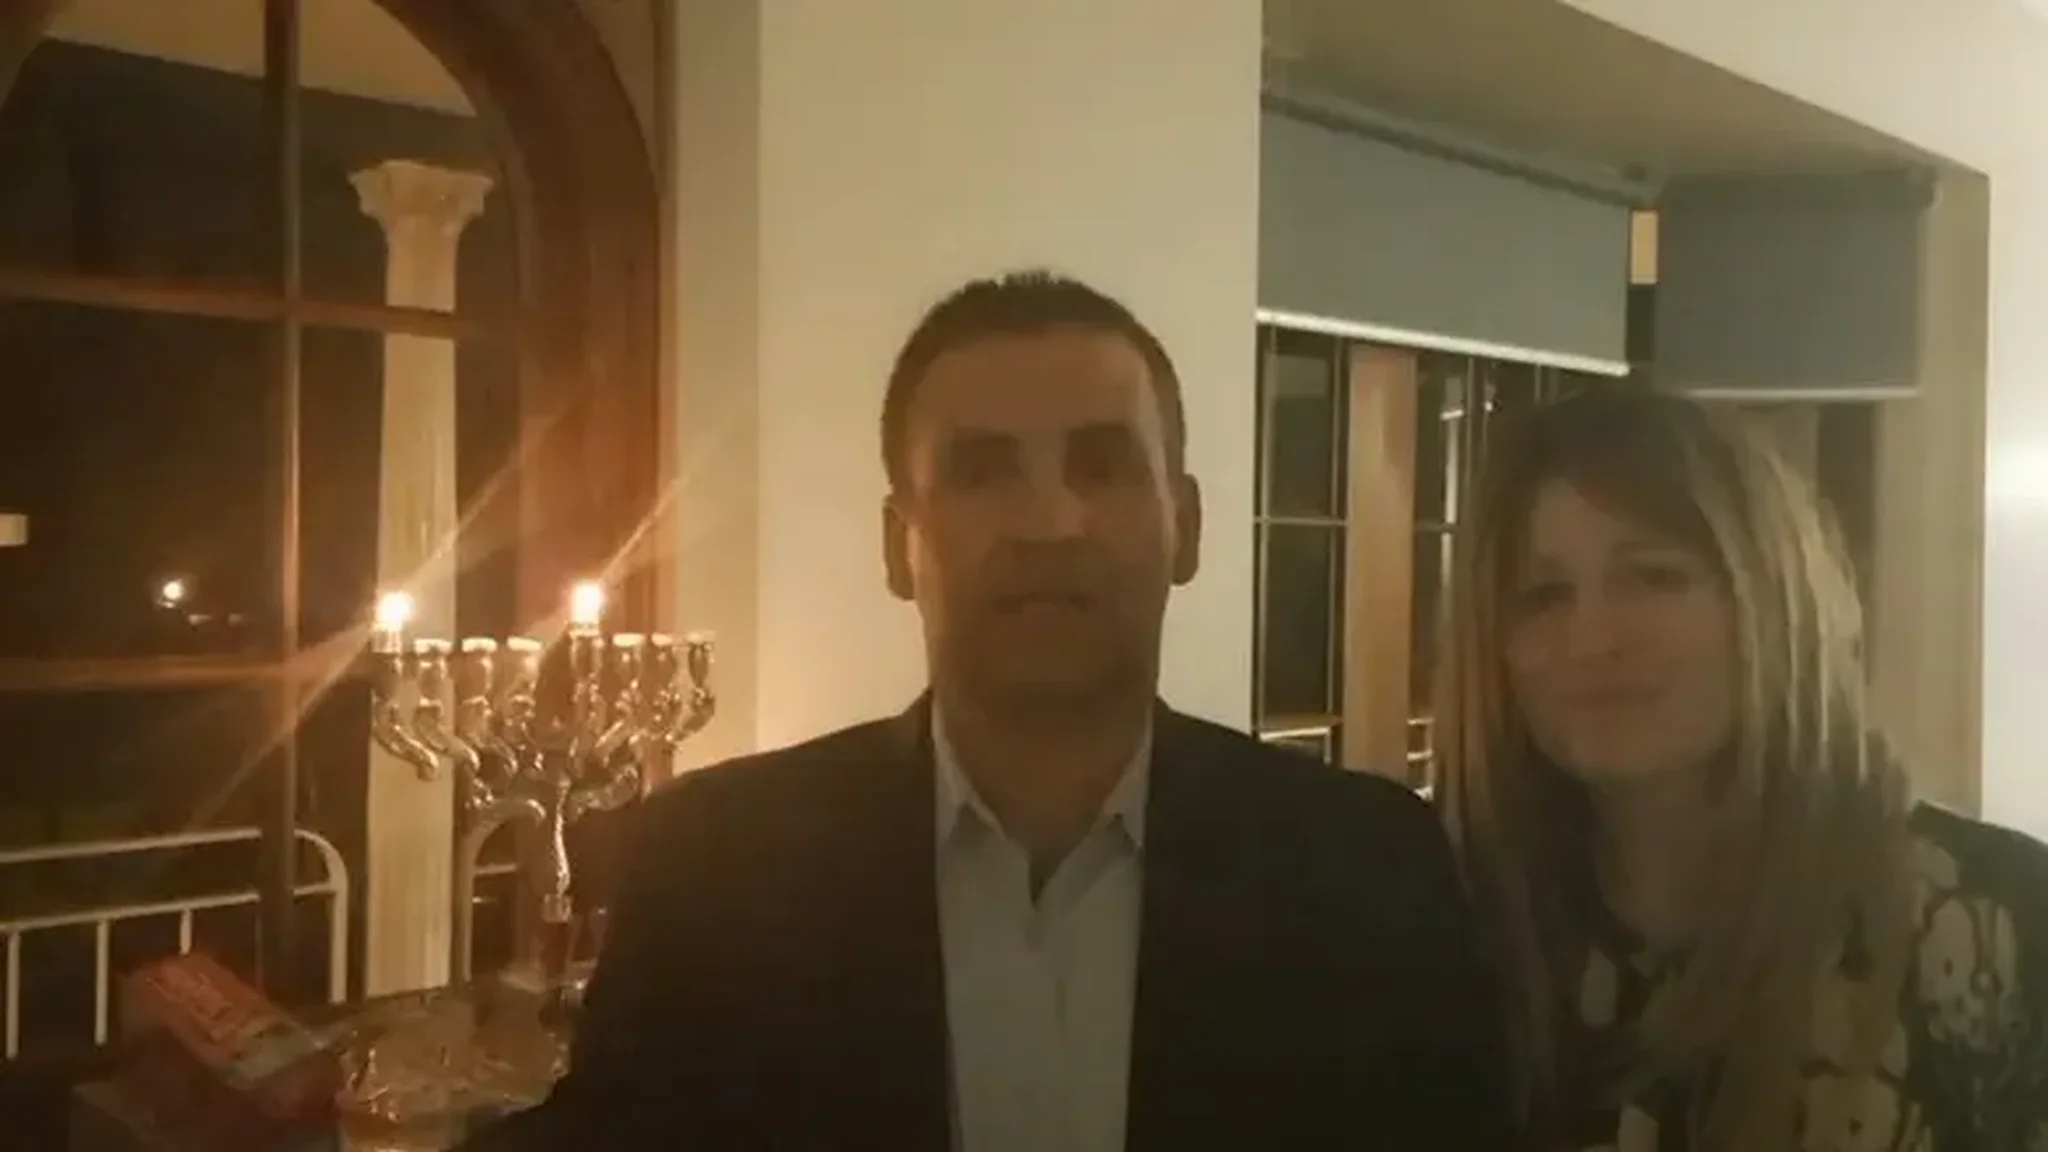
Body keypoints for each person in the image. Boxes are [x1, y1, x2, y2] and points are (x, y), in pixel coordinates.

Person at [487, 271, 1510, 1150]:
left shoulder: (1369, 871)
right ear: (899, 546)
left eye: (1102, 466)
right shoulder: (713, 866)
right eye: (981, 473)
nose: (1049, 522)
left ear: (1187, 527)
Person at [1432, 387, 2048, 1151]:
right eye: (1544, 596)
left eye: (1654, 577)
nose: (1594, 640)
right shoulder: (1453, 929)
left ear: (1772, 598)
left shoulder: (2005, 923)